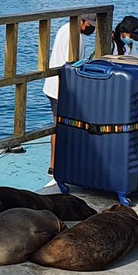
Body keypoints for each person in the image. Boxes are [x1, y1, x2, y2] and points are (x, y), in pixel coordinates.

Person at [43, 13, 96, 174]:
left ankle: (55, 163)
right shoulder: (74, 37)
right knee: (61, 125)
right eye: (89, 24)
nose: (91, 28)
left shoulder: (65, 29)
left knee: (58, 124)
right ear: (81, 21)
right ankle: (55, 164)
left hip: (55, 86)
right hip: (61, 88)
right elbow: (72, 65)